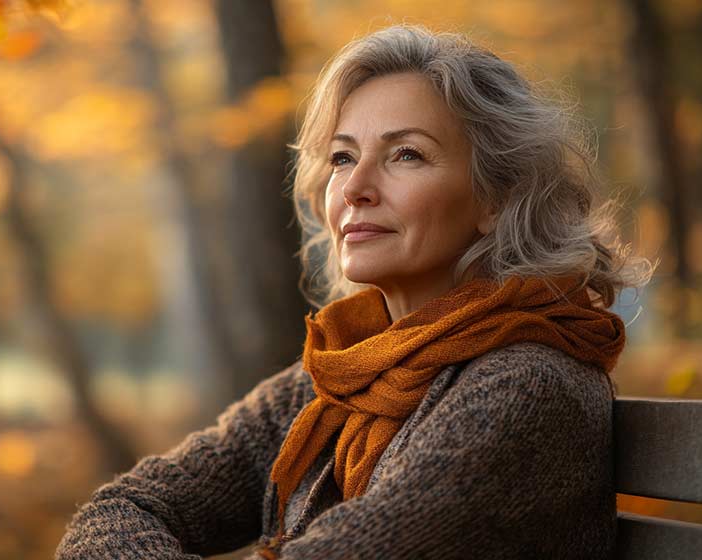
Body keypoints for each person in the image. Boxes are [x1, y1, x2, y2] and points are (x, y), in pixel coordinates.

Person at [55, 23, 655, 559]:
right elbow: (122, 509)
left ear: (496, 200)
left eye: (407, 155)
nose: (357, 188)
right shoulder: (347, 371)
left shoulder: (526, 389)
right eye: (343, 158)